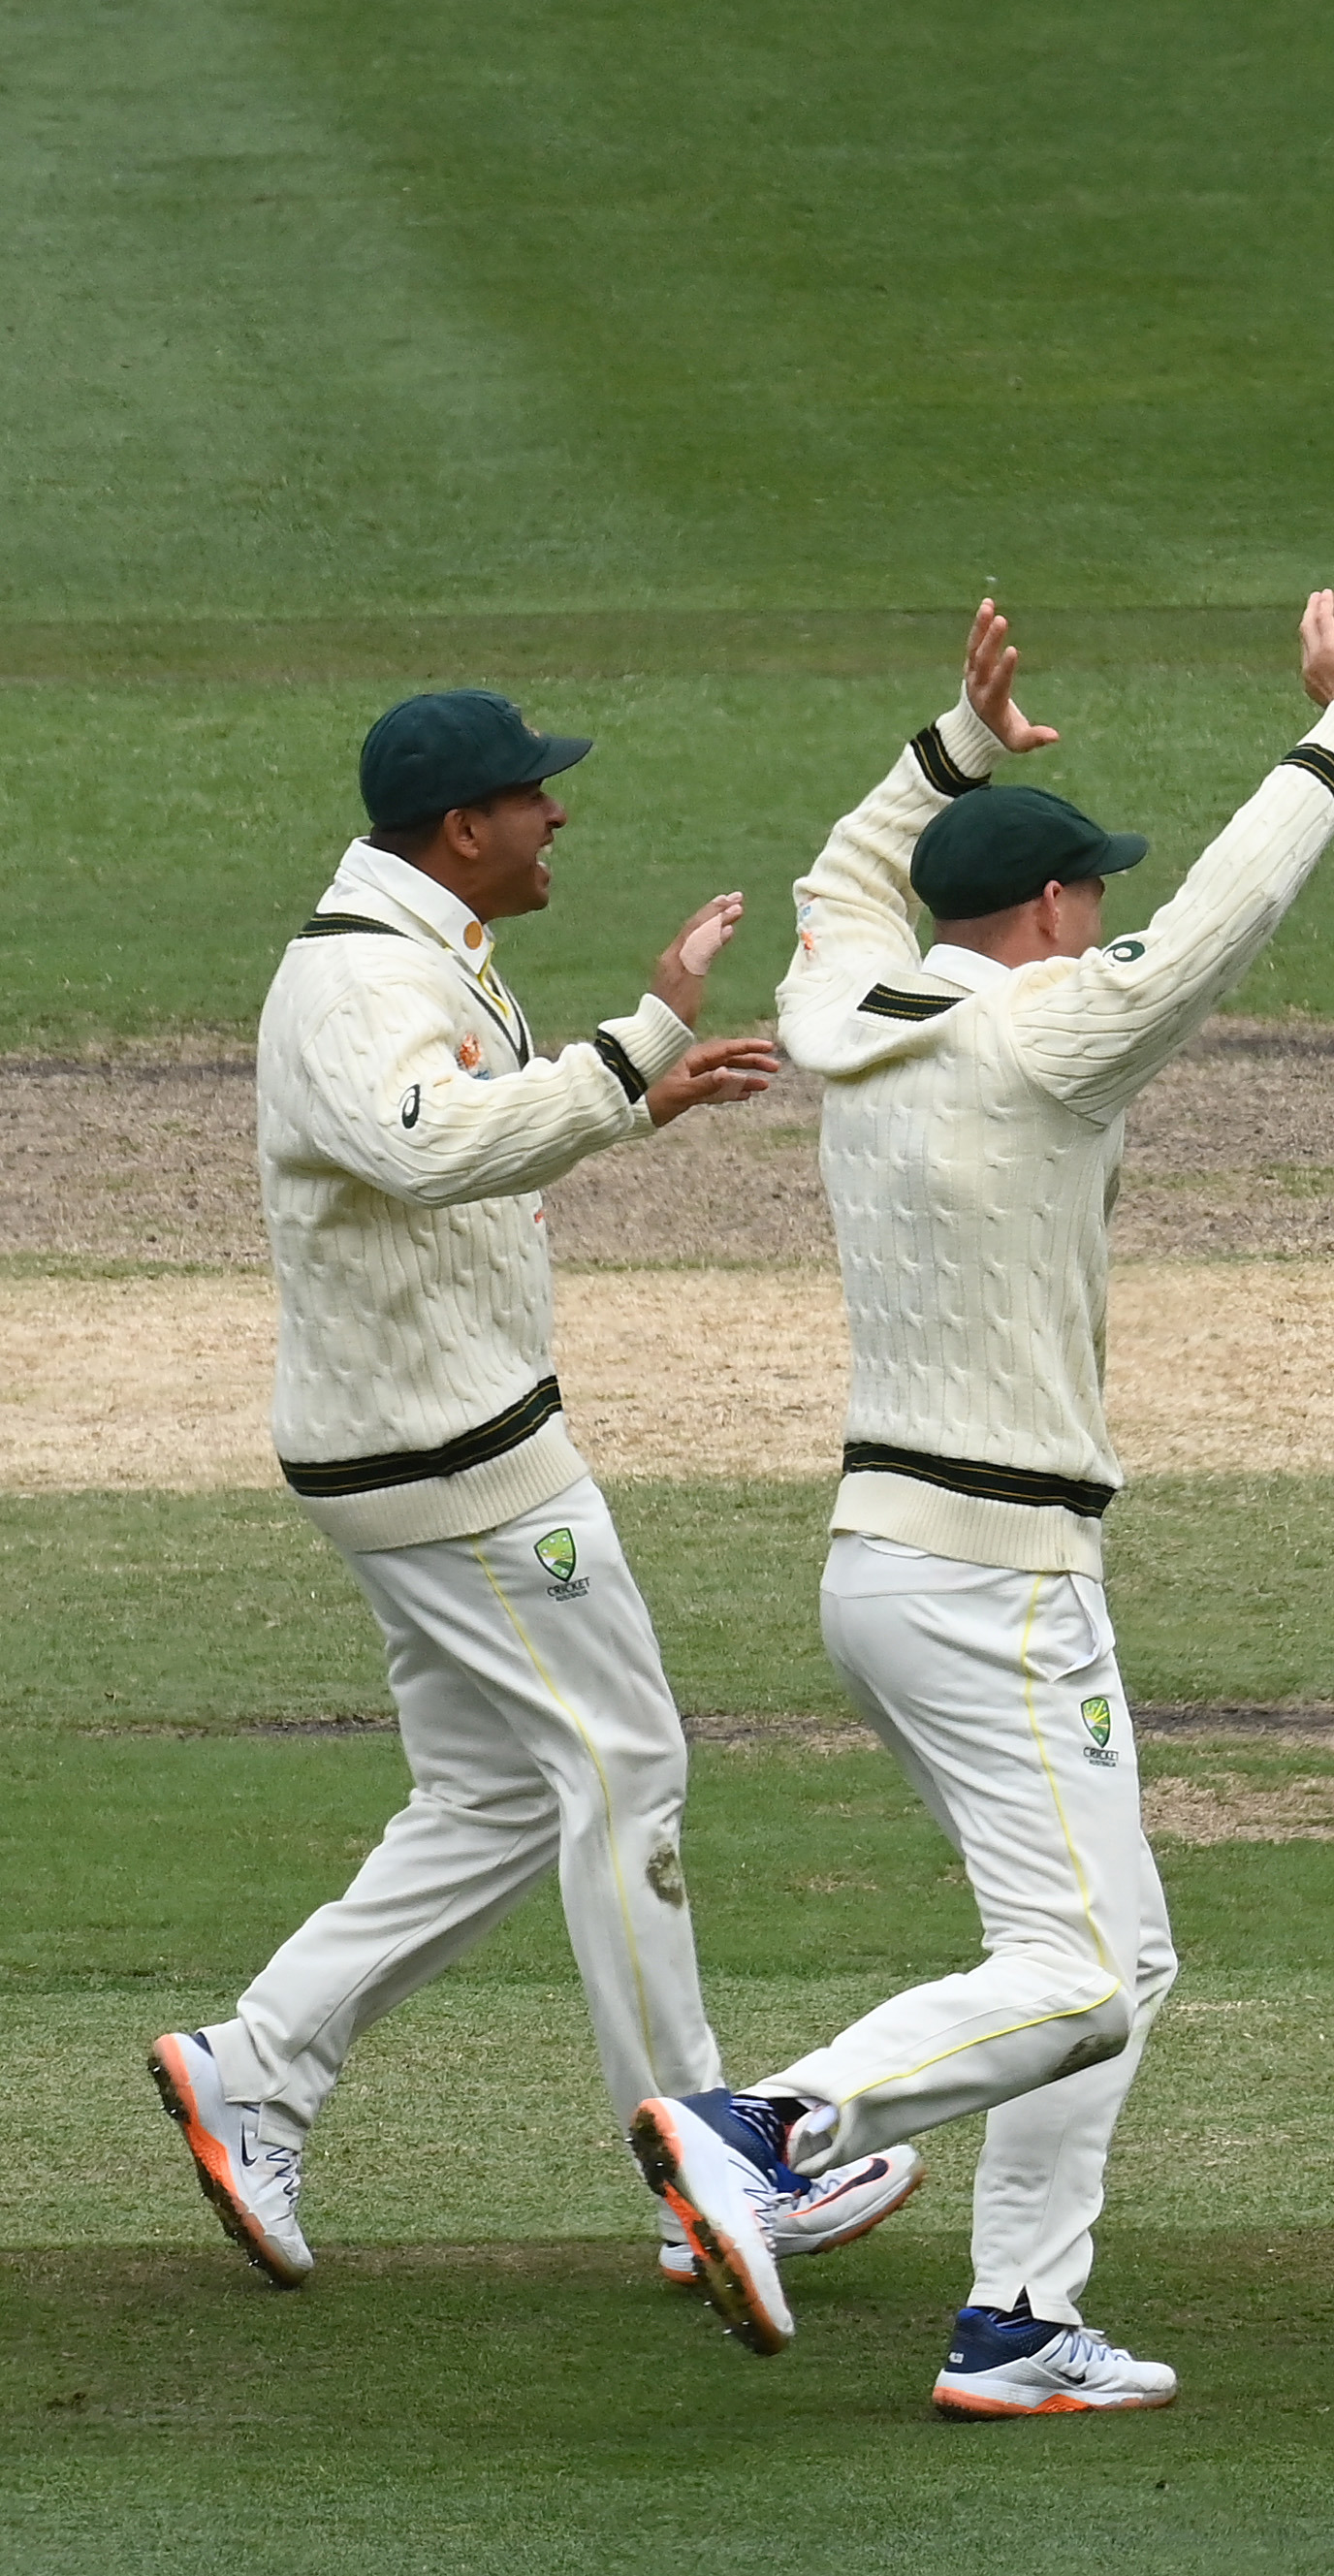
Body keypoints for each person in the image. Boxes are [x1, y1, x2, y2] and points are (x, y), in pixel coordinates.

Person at [632, 596, 1334, 2416]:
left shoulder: (836, 1007)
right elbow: (1222, 918)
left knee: (1115, 1952)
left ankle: (1020, 2320)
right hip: (996, 1573)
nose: (1104, 920)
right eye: (1086, 897)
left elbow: (839, 869)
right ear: (1047, 916)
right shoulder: (1050, 1033)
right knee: (1075, 1970)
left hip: (889, 1558)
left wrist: (952, 749)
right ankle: (772, 2125)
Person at [152, 686, 923, 2298]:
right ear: (462, 828)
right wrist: (631, 1046)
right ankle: (703, 2159)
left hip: (422, 1440)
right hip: (456, 1463)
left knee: (497, 1797)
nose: (557, 816)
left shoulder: (407, 945)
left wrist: (633, 1093)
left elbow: (448, 1156)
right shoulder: (363, 977)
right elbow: (423, 1144)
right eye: (533, 797)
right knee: (627, 1768)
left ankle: (258, 2066)